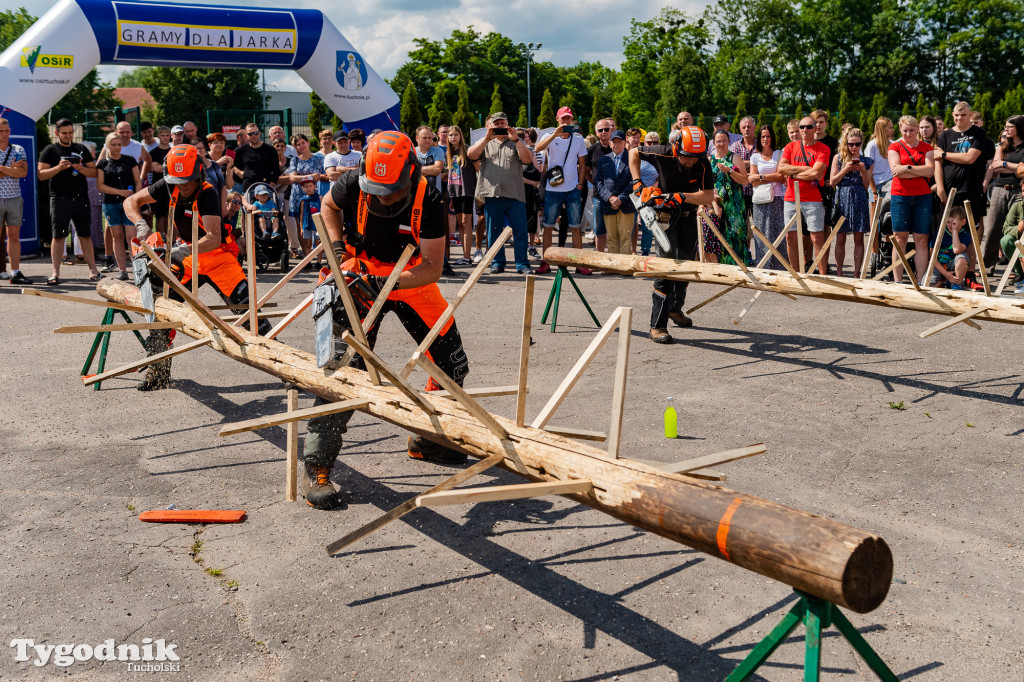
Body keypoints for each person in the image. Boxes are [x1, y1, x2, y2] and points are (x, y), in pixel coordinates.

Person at [303, 131, 472, 509]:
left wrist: (385, 282)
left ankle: (428, 440)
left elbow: (432, 267)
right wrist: (334, 249)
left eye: (391, 191)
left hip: (410, 277)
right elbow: (328, 206)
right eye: (375, 189)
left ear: (411, 173)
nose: (382, 197)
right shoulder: (351, 180)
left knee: (451, 363)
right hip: (359, 272)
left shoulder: (430, 196)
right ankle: (318, 467)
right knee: (343, 370)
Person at [123, 144, 267, 390]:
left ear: (199, 173)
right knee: (162, 306)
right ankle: (158, 371)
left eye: (187, 181)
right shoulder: (169, 184)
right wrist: (140, 224)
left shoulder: (208, 193)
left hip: (217, 256)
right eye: (178, 181)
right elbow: (131, 201)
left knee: (250, 317)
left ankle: (288, 367)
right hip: (190, 257)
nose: (182, 186)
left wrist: (182, 250)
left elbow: (213, 237)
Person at [628, 126, 714, 344]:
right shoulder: (662, 152)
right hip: (664, 218)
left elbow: (707, 196)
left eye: (695, 157)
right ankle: (657, 325)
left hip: (688, 216)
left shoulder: (702, 163)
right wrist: (637, 181)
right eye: (687, 157)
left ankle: (676, 309)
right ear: (677, 148)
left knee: (685, 266)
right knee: (665, 269)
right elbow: (633, 153)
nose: (691, 161)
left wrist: (681, 196)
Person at [467, 111, 534, 275]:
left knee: (520, 231)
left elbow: (528, 159)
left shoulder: (516, 141)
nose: (500, 126)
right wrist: (487, 138)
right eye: (496, 123)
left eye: (503, 123)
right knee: (494, 231)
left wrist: (516, 139)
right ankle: (497, 262)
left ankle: (522, 264)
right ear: (489, 126)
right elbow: (471, 155)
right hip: (492, 194)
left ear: (508, 124)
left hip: (514, 194)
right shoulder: (485, 142)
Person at [38, 118, 101, 284]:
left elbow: (94, 172)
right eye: (64, 133)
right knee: (58, 236)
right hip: (59, 198)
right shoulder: (50, 150)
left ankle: (93, 270)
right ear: (57, 133)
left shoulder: (81, 149)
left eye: (71, 133)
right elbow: (41, 174)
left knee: (84, 235)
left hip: (81, 198)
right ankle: (55, 273)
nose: (68, 136)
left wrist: (81, 168)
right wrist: (59, 167)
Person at [935, 101, 987, 287]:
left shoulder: (978, 134)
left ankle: (970, 274)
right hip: (949, 192)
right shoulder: (946, 135)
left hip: (970, 191)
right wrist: (940, 186)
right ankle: (944, 273)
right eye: (956, 115)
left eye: (963, 115)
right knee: (945, 231)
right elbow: (937, 163)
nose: (959, 118)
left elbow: (969, 158)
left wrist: (944, 154)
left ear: (970, 114)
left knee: (971, 234)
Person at [534, 106, 589, 275]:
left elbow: (582, 164)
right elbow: (537, 149)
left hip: (572, 188)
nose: (565, 121)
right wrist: (555, 134)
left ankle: (579, 263)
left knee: (575, 226)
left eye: (568, 118)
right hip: (553, 188)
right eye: (563, 118)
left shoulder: (578, 138)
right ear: (557, 119)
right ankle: (546, 261)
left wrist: (580, 184)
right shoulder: (549, 136)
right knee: (548, 226)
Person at [778, 116, 830, 274]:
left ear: (816, 128)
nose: (805, 130)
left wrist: (792, 173)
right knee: (791, 237)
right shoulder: (790, 147)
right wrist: (805, 172)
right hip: (791, 197)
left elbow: (817, 172)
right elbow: (781, 168)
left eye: (809, 127)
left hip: (813, 198)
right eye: (802, 127)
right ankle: (796, 274)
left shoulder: (823, 149)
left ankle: (822, 276)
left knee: (817, 238)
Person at [887, 115, 935, 285]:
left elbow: (930, 171)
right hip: (900, 195)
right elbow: (895, 171)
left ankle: (921, 280)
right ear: (900, 129)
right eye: (905, 130)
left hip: (922, 196)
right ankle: (898, 280)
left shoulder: (926, 147)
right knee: (899, 237)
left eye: (912, 130)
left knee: (921, 238)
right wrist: (917, 170)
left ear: (917, 131)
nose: (908, 133)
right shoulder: (894, 146)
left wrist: (907, 168)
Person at [829, 127, 874, 277]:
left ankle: (856, 273)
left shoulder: (867, 161)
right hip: (842, 199)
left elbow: (866, 185)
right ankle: (840, 272)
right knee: (840, 237)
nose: (854, 148)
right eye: (850, 144)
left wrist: (862, 170)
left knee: (858, 238)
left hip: (859, 199)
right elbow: (832, 182)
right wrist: (845, 170)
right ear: (846, 144)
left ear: (862, 144)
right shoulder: (838, 158)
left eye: (857, 144)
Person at [96, 131, 141, 281]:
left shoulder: (130, 160)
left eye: (119, 144)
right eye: (113, 145)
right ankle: (123, 270)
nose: (116, 147)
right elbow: (100, 186)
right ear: (107, 146)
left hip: (129, 202)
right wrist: (119, 192)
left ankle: (138, 269)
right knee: (117, 236)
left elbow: (138, 181)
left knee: (132, 236)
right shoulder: (103, 163)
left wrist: (138, 197)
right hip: (110, 203)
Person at [982, 116, 1024, 275]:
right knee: (993, 228)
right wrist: (1016, 167)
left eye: (1009, 127)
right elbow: (995, 167)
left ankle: (1017, 267)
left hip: (1019, 191)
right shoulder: (1002, 145)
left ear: (1019, 128)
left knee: (1016, 229)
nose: (1005, 129)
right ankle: (987, 266)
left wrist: (1006, 164)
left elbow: (1021, 171)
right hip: (1000, 189)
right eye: (1005, 126)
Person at [709, 129, 750, 264]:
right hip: (716, 202)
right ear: (714, 143)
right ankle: (721, 267)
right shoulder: (710, 160)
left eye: (724, 140)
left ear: (729, 141)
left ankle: (738, 264)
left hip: (734, 203)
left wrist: (730, 171)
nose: (721, 143)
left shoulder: (734, 157)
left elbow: (744, 181)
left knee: (735, 233)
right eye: (718, 141)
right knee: (718, 234)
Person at [748, 124, 786, 270]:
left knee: (778, 233)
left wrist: (761, 176)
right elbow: (752, 180)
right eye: (763, 136)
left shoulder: (779, 154)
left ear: (772, 138)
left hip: (777, 198)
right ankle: (764, 266)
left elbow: (781, 175)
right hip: (760, 200)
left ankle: (780, 267)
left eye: (768, 136)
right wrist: (772, 177)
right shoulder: (755, 157)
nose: (765, 139)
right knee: (762, 234)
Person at [594, 130, 635, 255]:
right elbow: (598, 182)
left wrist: (620, 198)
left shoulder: (632, 158)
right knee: (611, 238)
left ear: (625, 143)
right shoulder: (603, 160)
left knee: (625, 237)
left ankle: (624, 266)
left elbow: (634, 181)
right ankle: (613, 266)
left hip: (626, 204)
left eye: (619, 142)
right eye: (614, 142)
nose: (616, 144)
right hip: (608, 204)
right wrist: (610, 198)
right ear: (610, 144)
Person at [0, 117, 30, 284]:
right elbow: (16, 171)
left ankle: (15, 271)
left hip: (14, 197)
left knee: (14, 236)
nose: (4, 134)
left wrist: (3, 169)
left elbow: (23, 173)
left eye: (7, 130)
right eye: (1, 131)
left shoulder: (18, 148)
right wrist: (12, 169)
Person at [286, 134, 325, 257]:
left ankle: (318, 256)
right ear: (295, 147)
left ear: (308, 143)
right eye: (298, 144)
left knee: (317, 225)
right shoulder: (294, 159)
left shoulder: (318, 159)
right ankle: (306, 255)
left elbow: (320, 176)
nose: (301, 146)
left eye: (303, 142)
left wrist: (301, 178)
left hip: (313, 197)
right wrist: (310, 177)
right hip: (297, 197)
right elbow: (292, 177)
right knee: (301, 226)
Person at [445, 125, 478, 264]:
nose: (453, 137)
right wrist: (451, 197)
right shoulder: (448, 153)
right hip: (454, 192)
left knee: (466, 221)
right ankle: (465, 256)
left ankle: (467, 256)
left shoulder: (468, 151)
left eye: (455, 135)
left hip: (467, 191)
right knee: (459, 222)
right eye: (451, 135)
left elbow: (478, 170)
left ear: (460, 136)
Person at [586, 118, 615, 253]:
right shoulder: (592, 150)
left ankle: (615, 259)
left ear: (611, 130)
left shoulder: (617, 147)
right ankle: (599, 257)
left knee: (616, 230)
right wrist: (594, 182)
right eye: (600, 130)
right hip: (599, 196)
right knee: (599, 230)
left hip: (617, 194)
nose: (604, 132)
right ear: (596, 133)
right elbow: (585, 170)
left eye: (606, 129)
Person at [929, 205, 971, 289]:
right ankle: (943, 282)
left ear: (963, 222)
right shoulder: (939, 233)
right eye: (948, 222)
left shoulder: (966, 235)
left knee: (963, 259)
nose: (951, 225)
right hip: (940, 265)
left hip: (953, 265)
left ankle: (957, 284)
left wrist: (955, 231)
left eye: (954, 223)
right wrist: (945, 274)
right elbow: (932, 257)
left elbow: (957, 250)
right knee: (927, 285)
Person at [233, 123, 281, 191]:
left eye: (256, 133)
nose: (253, 136)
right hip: (248, 188)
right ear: (246, 135)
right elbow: (228, 161)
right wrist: (238, 172)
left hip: (265, 188)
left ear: (259, 133)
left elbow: (276, 170)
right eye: (250, 134)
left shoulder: (270, 149)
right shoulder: (241, 150)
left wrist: (271, 184)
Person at [999, 177, 1024, 288]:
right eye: (1023, 191)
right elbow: (1006, 228)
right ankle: (1020, 273)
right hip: (1021, 241)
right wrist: (1018, 229)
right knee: (1006, 240)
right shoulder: (1017, 205)